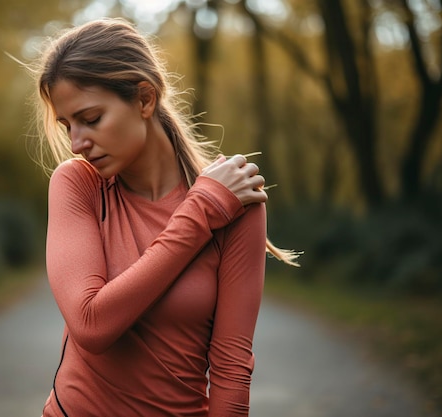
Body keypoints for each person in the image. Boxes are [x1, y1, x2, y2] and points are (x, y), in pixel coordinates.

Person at [32, 17, 299, 417]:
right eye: (67, 125)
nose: (76, 144)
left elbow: (230, 368)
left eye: (91, 119)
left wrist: (209, 205)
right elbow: (91, 324)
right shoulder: (78, 185)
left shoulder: (237, 203)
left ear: (144, 99)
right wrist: (200, 212)